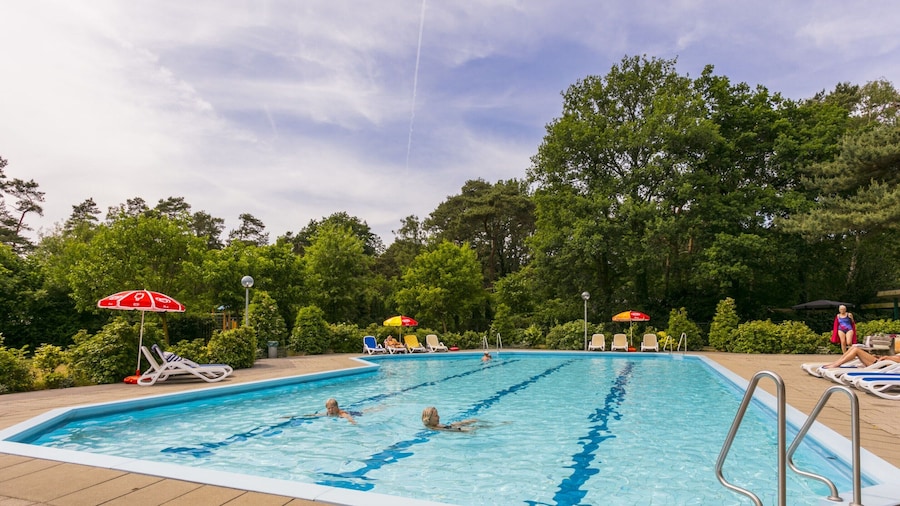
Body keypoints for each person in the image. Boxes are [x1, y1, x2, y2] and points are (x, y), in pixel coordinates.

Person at [821, 346, 900, 369]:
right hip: (881, 363)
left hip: (882, 366)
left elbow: (898, 360)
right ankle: (835, 363)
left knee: (856, 350)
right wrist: (883, 357)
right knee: (853, 347)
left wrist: (887, 357)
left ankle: (836, 364)